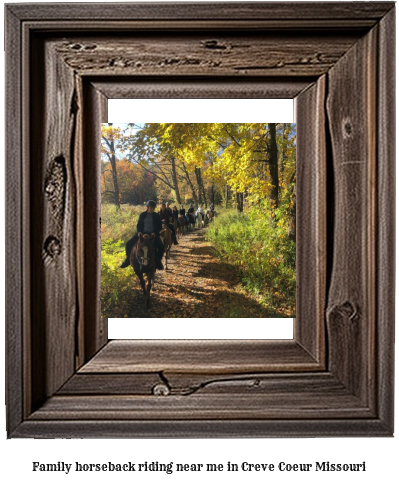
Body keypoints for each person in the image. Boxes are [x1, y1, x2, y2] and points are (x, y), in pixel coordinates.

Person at [120, 200, 165, 270]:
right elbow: (138, 225)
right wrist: (139, 232)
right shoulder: (142, 215)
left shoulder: (156, 216)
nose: (152, 209)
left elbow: (159, 226)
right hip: (142, 233)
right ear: (147, 207)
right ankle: (128, 259)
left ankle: (158, 261)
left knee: (161, 246)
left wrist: (155, 233)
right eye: (150, 207)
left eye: (153, 208)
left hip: (152, 234)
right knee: (128, 244)